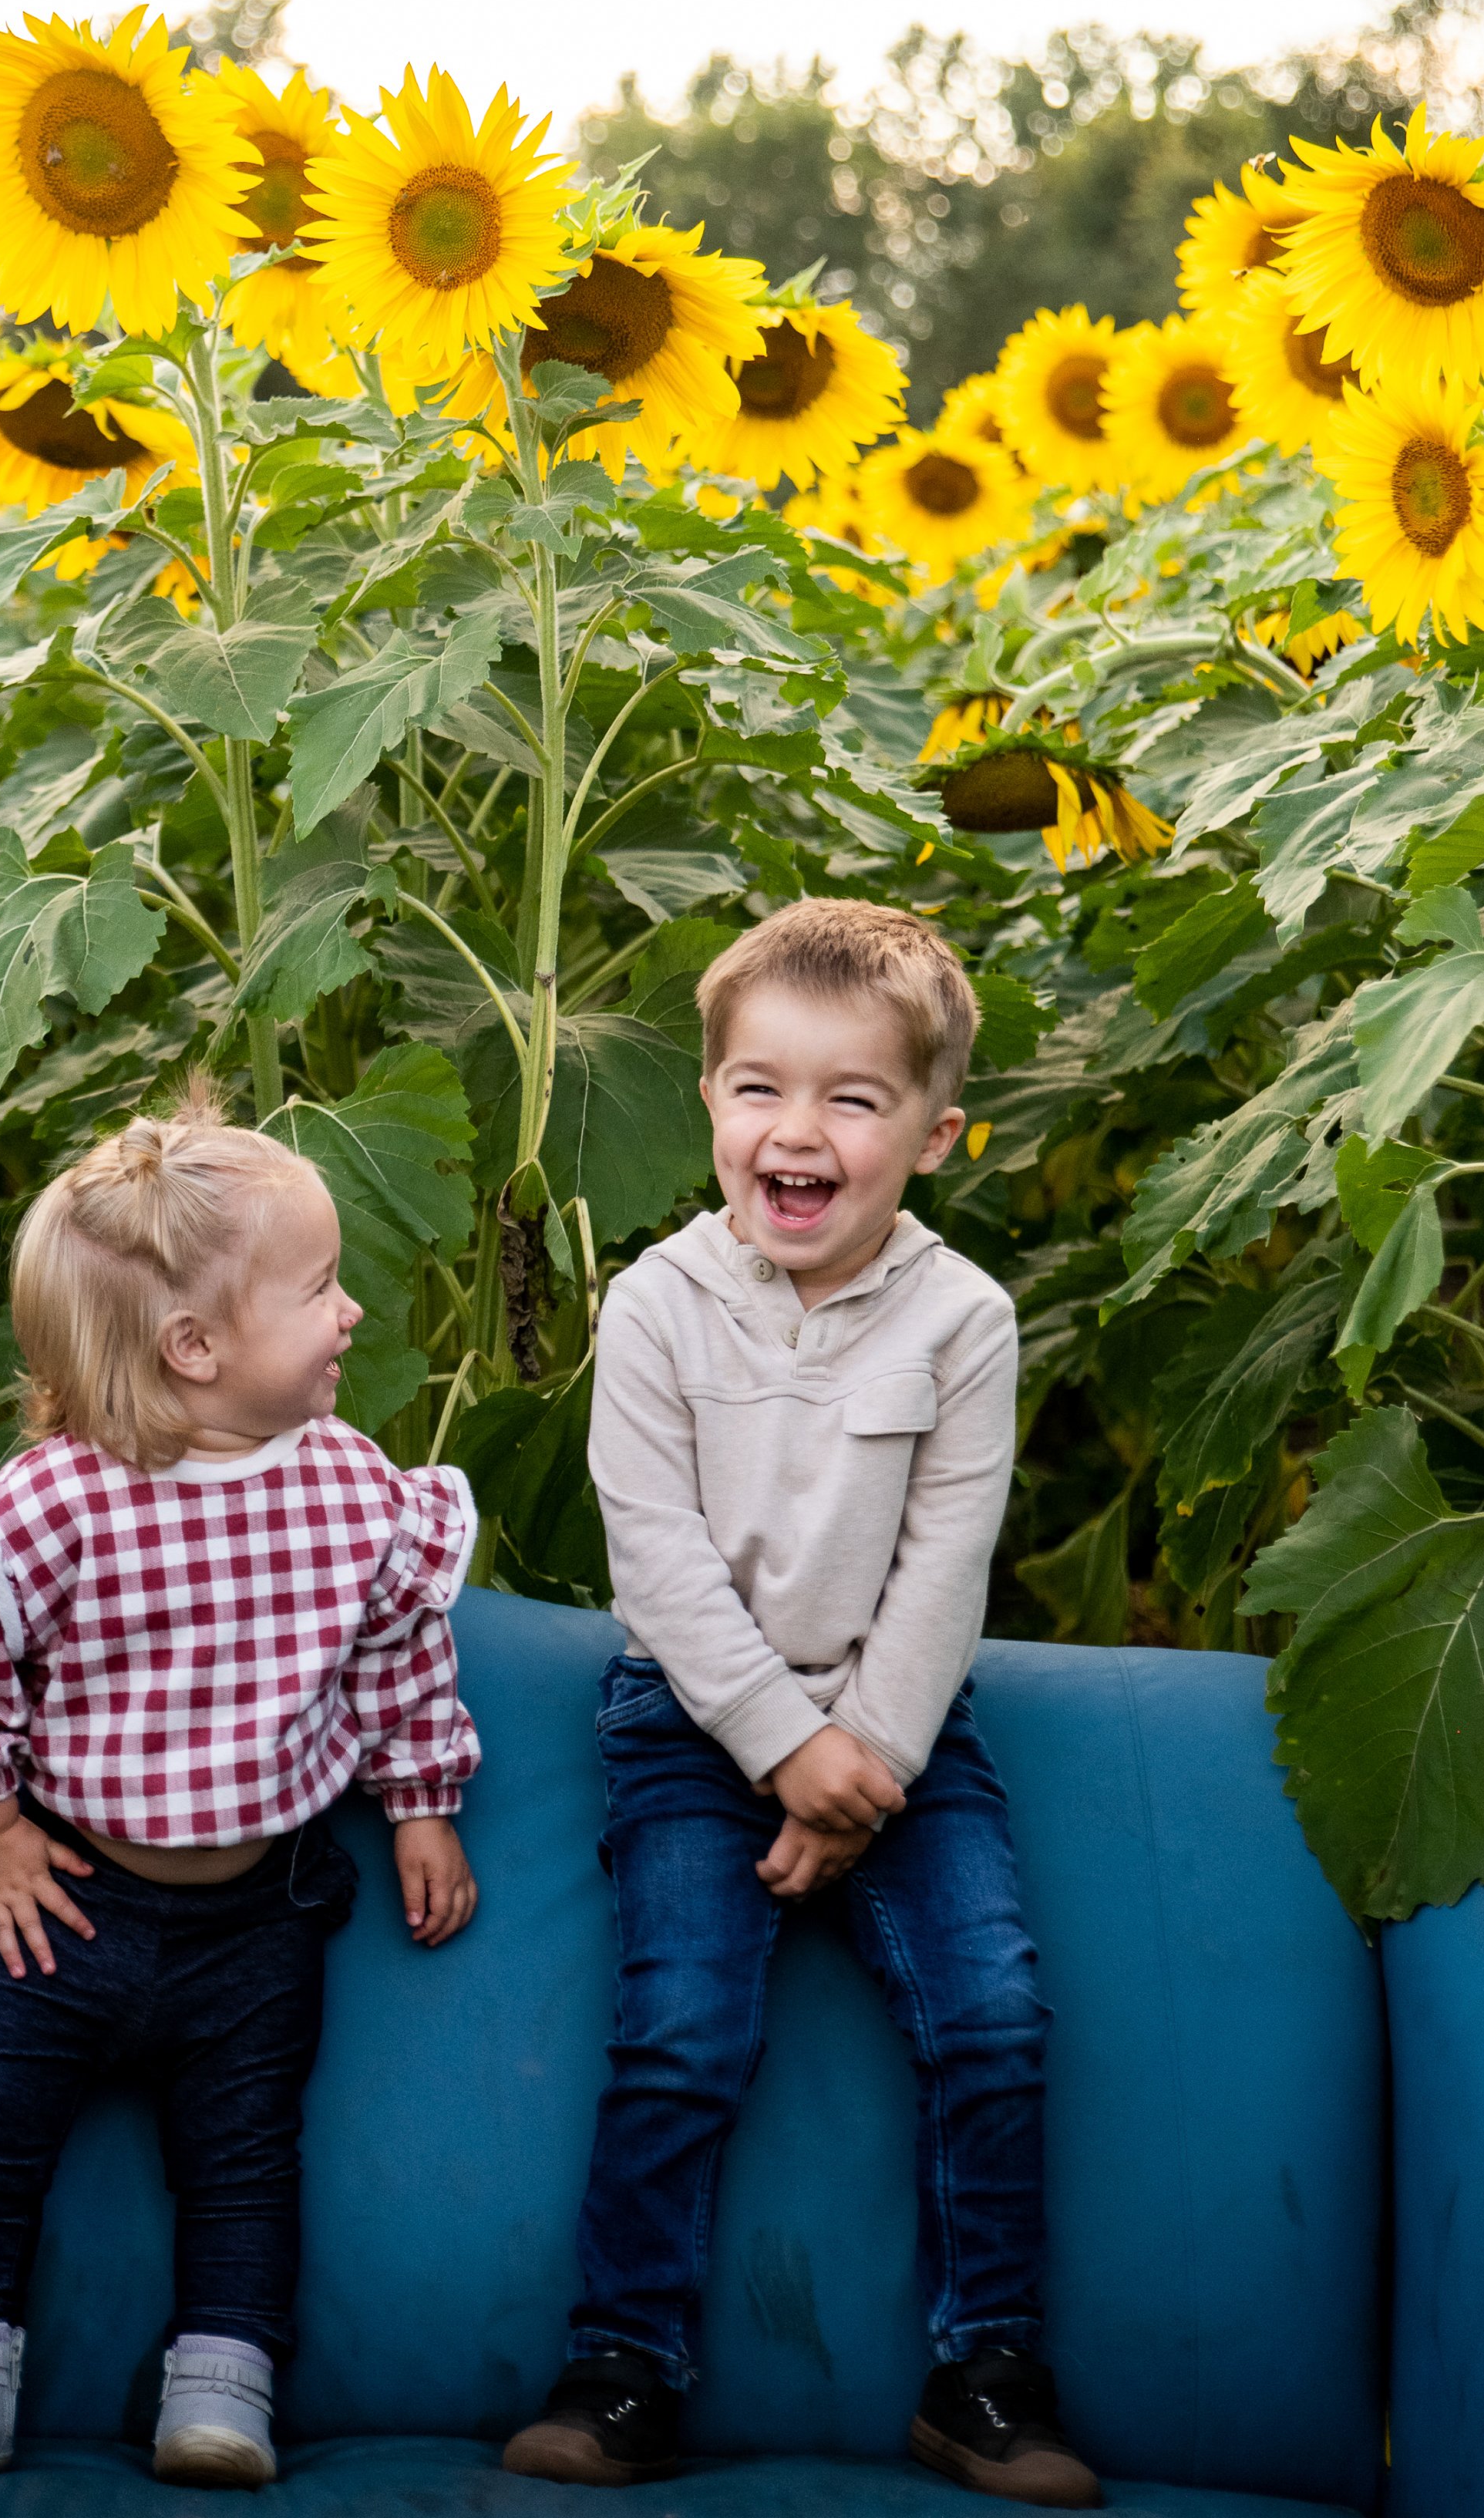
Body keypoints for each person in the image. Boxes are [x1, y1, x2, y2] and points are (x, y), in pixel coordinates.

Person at [503, 899, 1099, 2509]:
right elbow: (659, 1557)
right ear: (708, 1104)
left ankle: (987, 2369)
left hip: (905, 1740)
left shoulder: (961, 1318)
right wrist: (783, 1748)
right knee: (684, 2026)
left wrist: (866, 1763)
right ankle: (622, 2363)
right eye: (759, 1087)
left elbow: (945, 1563)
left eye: (853, 1098)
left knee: (993, 2016)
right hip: (694, 1731)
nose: (798, 1130)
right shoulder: (654, 1307)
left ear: (934, 1131)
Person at [0, 1088, 480, 2490]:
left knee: (246, 2159)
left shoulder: (348, 1487)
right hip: (63, 1901)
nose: (351, 1317)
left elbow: (396, 1647)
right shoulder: (50, 1503)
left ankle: (221, 2382)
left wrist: (422, 1798)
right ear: (194, 1347)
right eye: (320, 1290)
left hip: (261, 1916)